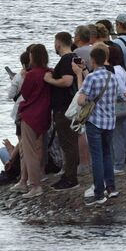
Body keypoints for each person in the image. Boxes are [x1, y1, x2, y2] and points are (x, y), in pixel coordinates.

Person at [74, 43, 117, 206]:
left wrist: (88, 99)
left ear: (93, 60)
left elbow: (81, 100)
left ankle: (99, 192)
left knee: (97, 157)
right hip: (110, 121)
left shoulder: (91, 77)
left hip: (95, 121)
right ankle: (111, 188)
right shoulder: (112, 76)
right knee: (107, 154)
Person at [45, 32, 82, 190]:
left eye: (55, 42)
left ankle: (71, 178)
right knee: (71, 142)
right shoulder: (75, 57)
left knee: (68, 144)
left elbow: (67, 81)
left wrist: (50, 79)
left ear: (58, 43)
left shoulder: (66, 59)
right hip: (72, 106)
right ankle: (69, 174)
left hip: (65, 108)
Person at [16, 43, 52, 197]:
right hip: (44, 114)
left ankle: (35, 185)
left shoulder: (31, 74)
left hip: (30, 114)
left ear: (33, 57)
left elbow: (25, 93)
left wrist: (24, 78)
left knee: (29, 151)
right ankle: (33, 180)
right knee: (39, 148)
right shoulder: (49, 72)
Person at [106, 43, 126, 172]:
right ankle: (119, 161)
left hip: (117, 104)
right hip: (123, 104)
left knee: (116, 136)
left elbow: (121, 90)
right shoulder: (120, 69)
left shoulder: (114, 71)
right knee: (119, 134)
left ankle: (118, 164)